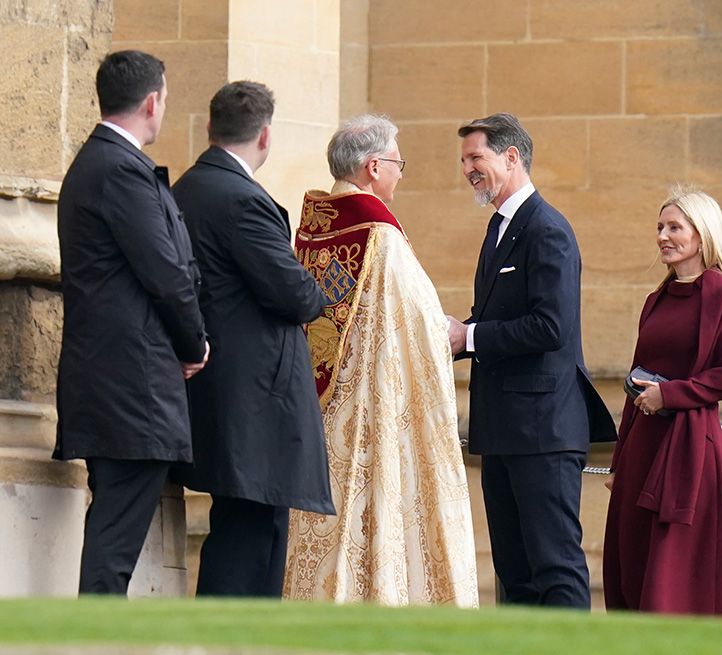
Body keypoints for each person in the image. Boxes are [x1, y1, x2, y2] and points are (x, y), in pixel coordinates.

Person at [283, 114, 479, 607]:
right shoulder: (381, 236)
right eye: (397, 162)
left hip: (317, 411)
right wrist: (452, 331)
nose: (400, 172)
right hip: (370, 412)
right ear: (373, 167)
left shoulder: (314, 228)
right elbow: (415, 322)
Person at [447, 113, 617, 608]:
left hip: (543, 431)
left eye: (476, 157)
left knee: (554, 565)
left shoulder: (548, 229)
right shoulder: (499, 228)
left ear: (511, 156)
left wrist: (468, 336)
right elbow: (492, 320)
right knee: (514, 573)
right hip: (503, 428)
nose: (468, 170)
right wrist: (451, 338)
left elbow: (550, 327)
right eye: (464, 161)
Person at [55, 50, 209, 594]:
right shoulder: (119, 168)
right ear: (152, 101)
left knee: (113, 535)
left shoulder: (100, 163)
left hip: (115, 382)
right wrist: (194, 343)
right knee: (114, 544)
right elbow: (166, 272)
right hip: (132, 386)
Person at [171, 81, 333, 597]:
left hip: (216, 387)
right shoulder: (242, 199)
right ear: (265, 136)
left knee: (241, 531)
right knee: (251, 540)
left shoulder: (187, 187)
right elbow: (296, 294)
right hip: (254, 399)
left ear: (209, 128)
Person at [603, 187, 722, 615]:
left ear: (702, 235)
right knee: (634, 563)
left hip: (690, 453)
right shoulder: (655, 301)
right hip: (642, 448)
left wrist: (671, 393)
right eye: (660, 227)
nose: (663, 236)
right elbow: (635, 386)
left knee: (673, 572)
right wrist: (618, 461)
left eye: (675, 227)